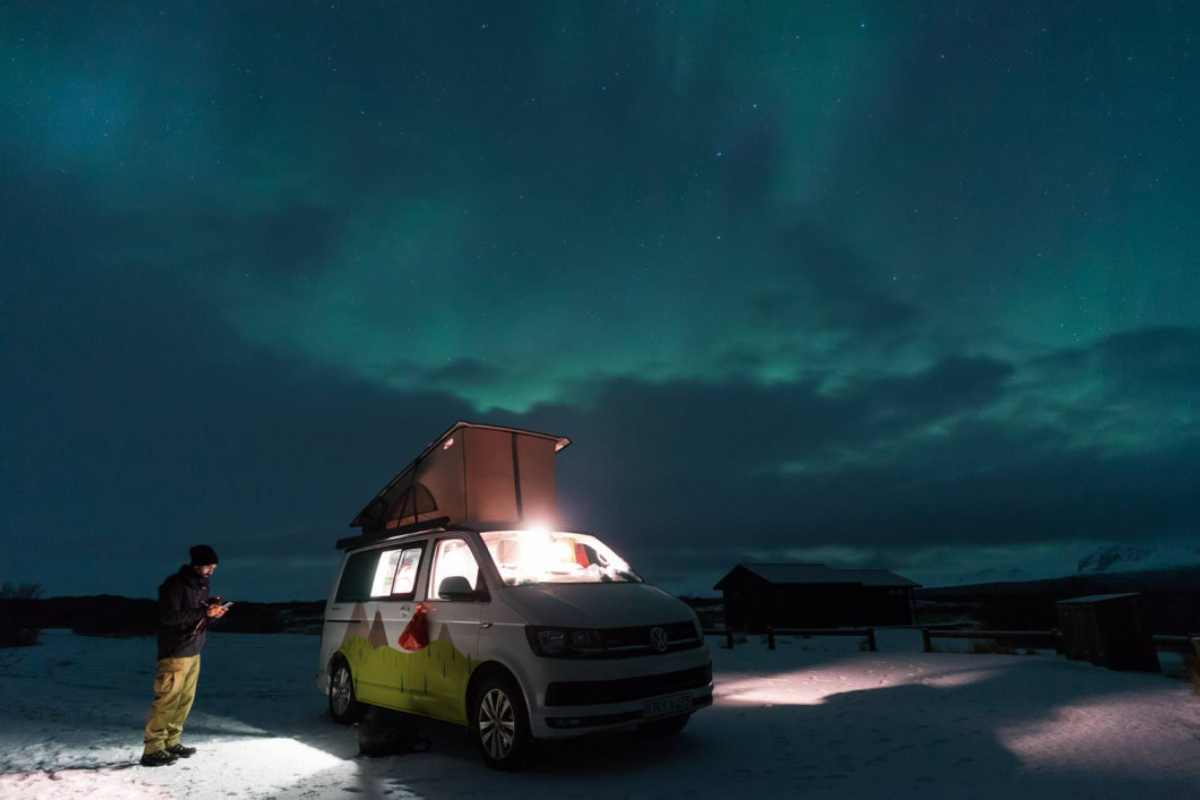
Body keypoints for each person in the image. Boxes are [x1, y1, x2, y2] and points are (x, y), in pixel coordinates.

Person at [141, 544, 228, 767]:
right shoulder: (174, 585)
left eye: (214, 567)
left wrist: (213, 614)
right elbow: (168, 617)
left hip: (194, 650)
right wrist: (203, 611)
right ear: (196, 565)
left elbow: (197, 617)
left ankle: (172, 742)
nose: (211, 571)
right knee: (167, 699)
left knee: (185, 700)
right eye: (208, 566)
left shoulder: (202, 585)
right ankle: (153, 749)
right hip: (175, 651)